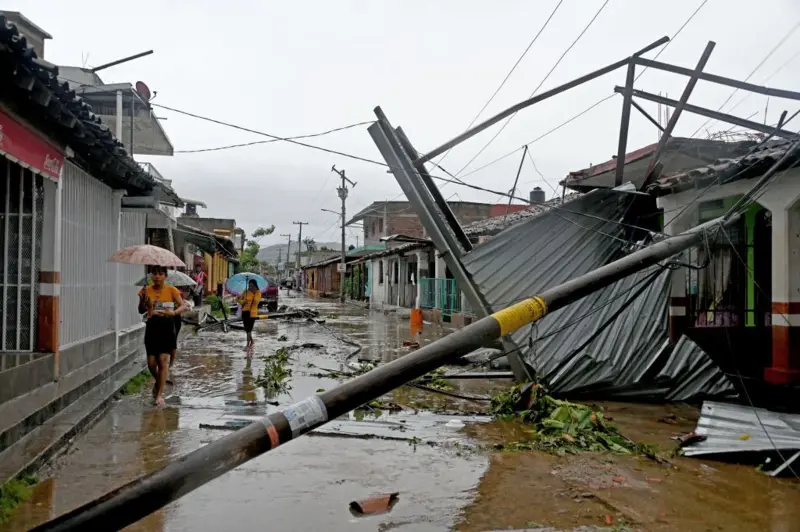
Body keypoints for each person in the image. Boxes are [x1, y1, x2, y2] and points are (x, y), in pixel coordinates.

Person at [138, 266, 187, 405]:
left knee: (162, 360)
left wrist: (174, 313)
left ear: (165, 276)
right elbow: (140, 310)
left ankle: (159, 395)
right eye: (155, 274)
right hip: (152, 327)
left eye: (160, 274)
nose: (157, 276)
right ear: (151, 276)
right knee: (151, 363)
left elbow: (183, 305)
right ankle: (160, 382)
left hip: (166, 326)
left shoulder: (171, 290)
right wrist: (146, 304)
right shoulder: (145, 290)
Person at [237, 279, 261, 348]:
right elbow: (240, 301)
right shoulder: (246, 292)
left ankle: (248, 344)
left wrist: (253, 296)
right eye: (249, 285)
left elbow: (256, 301)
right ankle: (252, 341)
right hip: (245, 312)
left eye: (252, 286)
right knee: (246, 329)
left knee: (249, 329)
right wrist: (241, 300)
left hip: (252, 313)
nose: (251, 287)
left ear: (255, 285)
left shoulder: (258, 292)